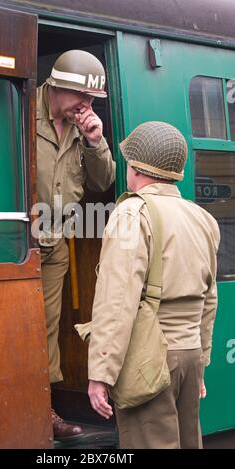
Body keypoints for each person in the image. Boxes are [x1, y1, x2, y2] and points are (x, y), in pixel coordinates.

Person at [87, 121, 220, 449]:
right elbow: (209, 298)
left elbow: (117, 301)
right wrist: (200, 361)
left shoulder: (132, 213)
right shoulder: (202, 218)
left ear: (134, 168)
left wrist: (101, 371)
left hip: (150, 357)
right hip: (189, 353)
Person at [36, 49, 115, 440]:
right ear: (55, 87)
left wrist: (95, 141)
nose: (86, 107)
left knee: (47, 328)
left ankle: (42, 410)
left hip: (55, 245)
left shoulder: (84, 129)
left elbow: (103, 182)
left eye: (92, 101)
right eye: (80, 99)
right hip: (16, 243)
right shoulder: (20, 109)